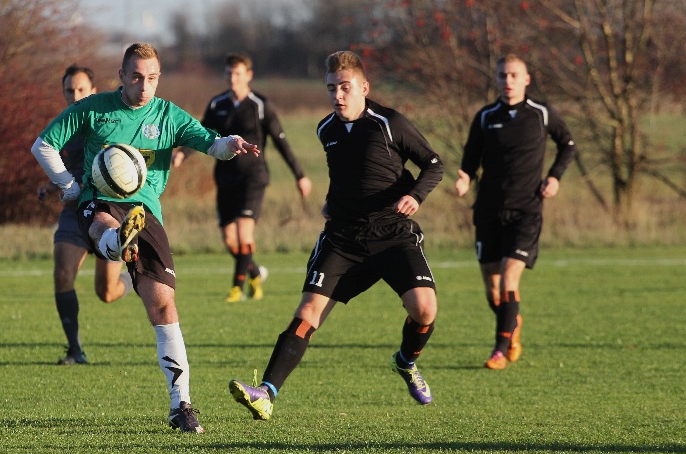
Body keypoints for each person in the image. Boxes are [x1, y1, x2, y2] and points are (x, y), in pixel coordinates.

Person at [32, 43, 260, 433]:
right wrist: (69, 186)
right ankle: (117, 242)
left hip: (146, 214)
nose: (144, 85)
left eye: (151, 78)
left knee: (163, 305)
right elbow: (43, 145)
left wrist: (231, 144)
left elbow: (210, 142)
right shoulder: (93, 109)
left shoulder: (168, 116)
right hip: (99, 200)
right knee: (103, 221)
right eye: (136, 77)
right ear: (121, 76)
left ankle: (181, 405)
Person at [228, 50, 444, 420]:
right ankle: (265, 392)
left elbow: (434, 165)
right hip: (343, 237)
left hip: (393, 233)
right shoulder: (325, 129)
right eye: (331, 89)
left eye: (345, 87)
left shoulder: (389, 123)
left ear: (364, 87)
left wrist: (414, 195)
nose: (338, 96)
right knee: (308, 312)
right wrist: (331, 201)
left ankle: (406, 361)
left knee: (424, 310)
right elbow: (348, 175)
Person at [455, 54, 576, 370]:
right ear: (495, 80)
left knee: (509, 279)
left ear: (526, 79)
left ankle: (499, 349)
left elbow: (569, 144)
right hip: (488, 211)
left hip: (526, 210)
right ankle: (513, 324)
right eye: (501, 75)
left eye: (513, 75)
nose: (507, 81)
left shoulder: (542, 113)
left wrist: (554, 177)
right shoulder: (485, 116)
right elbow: (470, 158)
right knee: (492, 287)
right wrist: (464, 178)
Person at [172, 53, 312, 302]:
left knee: (244, 233)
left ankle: (236, 288)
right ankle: (255, 273)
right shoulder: (217, 105)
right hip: (225, 177)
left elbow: (282, 143)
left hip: (253, 177)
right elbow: (201, 134)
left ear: (248, 75)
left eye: (237, 73)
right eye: (228, 73)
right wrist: (183, 152)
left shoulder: (260, 105)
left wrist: (300, 175)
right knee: (229, 239)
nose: (232, 78)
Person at [42, 65, 134, 366]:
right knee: (62, 274)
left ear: (93, 91)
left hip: (106, 212)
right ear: (64, 92)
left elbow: (124, 169)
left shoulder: (107, 123)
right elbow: (61, 166)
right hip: (73, 214)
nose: (76, 95)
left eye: (81, 89)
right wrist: (50, 185)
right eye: (70, 90)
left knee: (106, 293)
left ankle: (130, 280)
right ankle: (75, 350)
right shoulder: (64, 127)